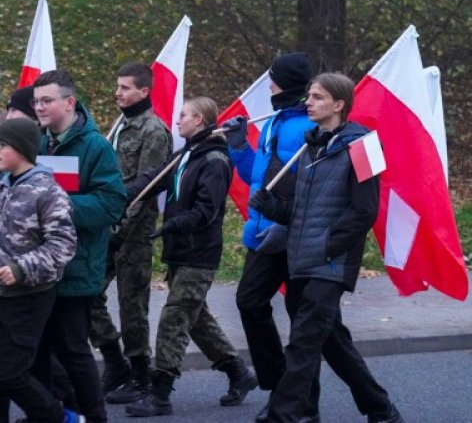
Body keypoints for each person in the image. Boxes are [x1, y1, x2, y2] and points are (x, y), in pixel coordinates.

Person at [250, 73, 404, 423]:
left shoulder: (366, 146)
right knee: (332, 342)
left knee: (303, 343)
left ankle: (283, 416)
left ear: (339, 104)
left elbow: (365, 211)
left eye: (317, 97)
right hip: (300, 259)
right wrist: (273, 208)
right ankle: (381, 409)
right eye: (309, 96)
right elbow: (302, 212)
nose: (309, 102)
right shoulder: (311, 145)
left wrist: (326, 246)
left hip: (330, 262)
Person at [125, 97, 257, 418]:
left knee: (174, 318)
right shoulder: (186, 154)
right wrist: (120, 193)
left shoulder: (214, 160)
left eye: (183, 115)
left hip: (199, 254)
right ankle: (240, 373)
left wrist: (170, 226)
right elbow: (154, 178)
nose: (178, 120)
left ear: (199, 120)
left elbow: (206, 211)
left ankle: (159, 394)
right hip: (179, 252)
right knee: (196, 319)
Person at [219, 52, 319, 422]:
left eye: (273, 77)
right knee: (249, 302)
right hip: (262, 232)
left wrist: (286, 225)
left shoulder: (309, 125)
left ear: (286, 81)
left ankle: (304, 405)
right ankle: (280, 388)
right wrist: (239, 146)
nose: (269, 83)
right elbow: (256, 181)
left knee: (304, 325)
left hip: (294, 236)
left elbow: (310, 185)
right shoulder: (276, 120)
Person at [31, 70, 127, 423]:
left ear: (69, 103)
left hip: (75, 268)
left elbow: (112, 204)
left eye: (47, 101)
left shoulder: (95, 147)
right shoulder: (36, 141)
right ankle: (50, 414)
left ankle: (93, 415)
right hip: (38, 267)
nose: (39, 107)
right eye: (36, 101)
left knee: (73, 350)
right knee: (38, 348)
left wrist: (60, 206)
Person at [0, 117, 81, 423]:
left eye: (1, 145)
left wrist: (20, 269)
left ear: (21, 149)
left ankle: (59, 419)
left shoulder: (47, 191)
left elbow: (63, 246)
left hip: (29, 297)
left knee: (9, 372)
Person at [91, 63, 172, 403]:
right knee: (87, 294)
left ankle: (141, 376)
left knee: (132, 306)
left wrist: (121, 232)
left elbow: (147, 187)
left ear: (144, 91)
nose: (118, 92)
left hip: (133, 234)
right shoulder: (120, 125)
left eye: (125, 88)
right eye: (118, 86)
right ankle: (114, 359)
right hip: (108, 228)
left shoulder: (153, 130)